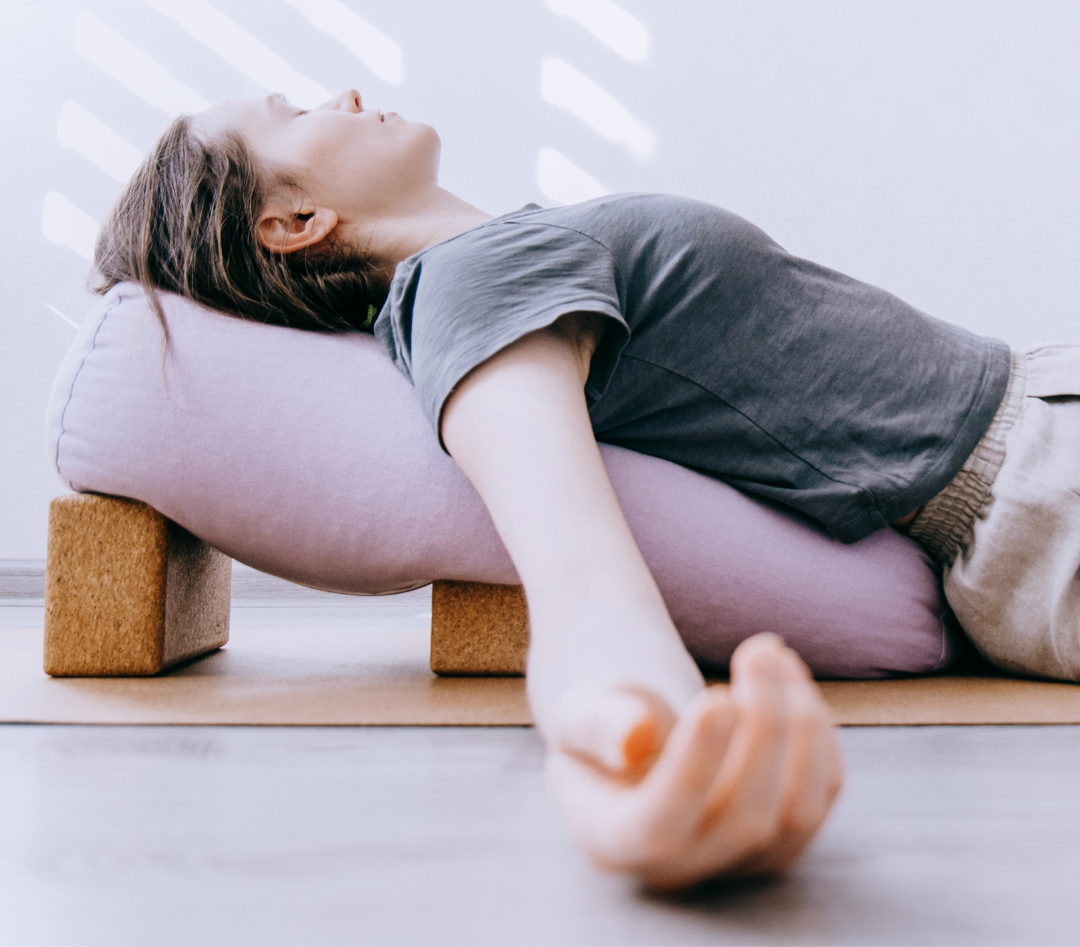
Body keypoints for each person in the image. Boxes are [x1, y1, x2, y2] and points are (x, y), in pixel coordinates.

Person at [93, 88, 1078, 888]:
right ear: (294, 219)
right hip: (1041, 487)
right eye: (295, 111)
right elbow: (577, 574)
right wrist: (631, 761)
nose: (345, 93)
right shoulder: (469, 287)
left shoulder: (494, 267)